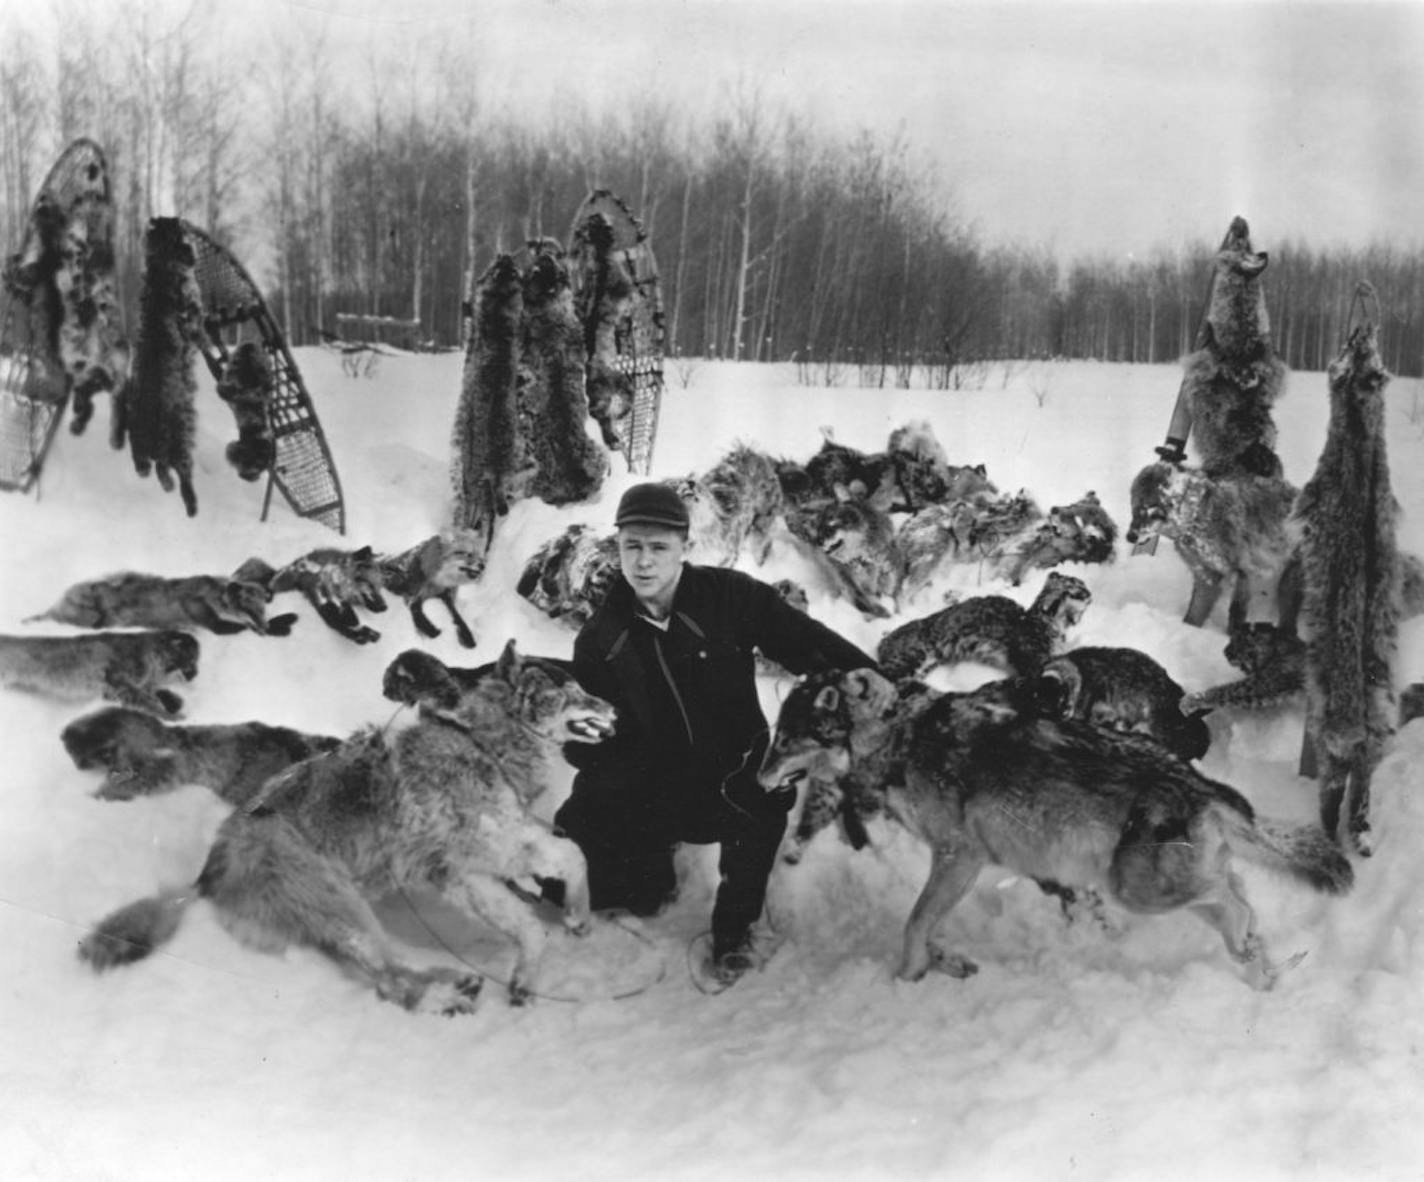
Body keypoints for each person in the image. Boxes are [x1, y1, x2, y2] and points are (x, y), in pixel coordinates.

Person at [554, 482, 877, 985]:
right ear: (617, 547)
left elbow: (809, 645)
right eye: (631, 546)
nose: (643, 562)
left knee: (765, 804)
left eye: (658, 547)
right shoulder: (600, 639)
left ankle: (734, 931)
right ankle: (637, 868)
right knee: (615, 879)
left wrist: (877, 686)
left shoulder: (730, 597)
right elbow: (588, 744)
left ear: (684, 547)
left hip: (735, 772)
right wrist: (606, 764)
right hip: (656, 784)